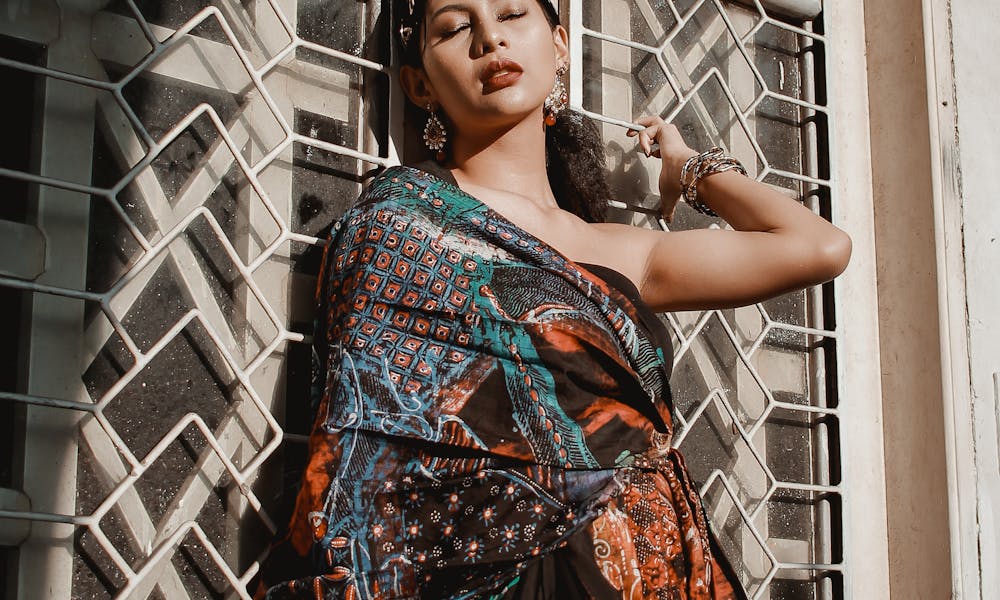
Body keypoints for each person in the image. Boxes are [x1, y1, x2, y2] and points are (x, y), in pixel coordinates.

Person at [255, 0, 851, 598]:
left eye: (513, 13)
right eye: (456, 27)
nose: (490, 38)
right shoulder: (398, 228)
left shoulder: (618, 250)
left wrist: (689, 166)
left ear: (561, 45)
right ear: (418, 83)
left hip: (652, 563)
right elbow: (367, 464)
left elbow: (818, 247)